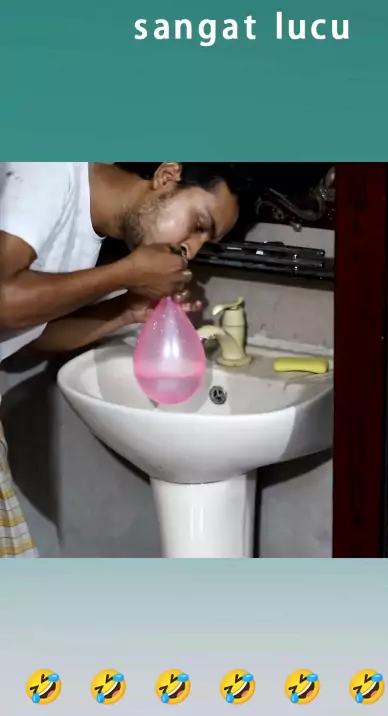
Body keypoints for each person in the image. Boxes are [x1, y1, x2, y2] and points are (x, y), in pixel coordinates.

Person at [0, 161, 241, 557]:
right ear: (167, 176)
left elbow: (25, 338)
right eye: (198, 224)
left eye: (205, 243)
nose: (191, 249)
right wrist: (125, 273)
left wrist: (127, 310)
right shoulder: (51, 170)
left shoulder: (87, 231)